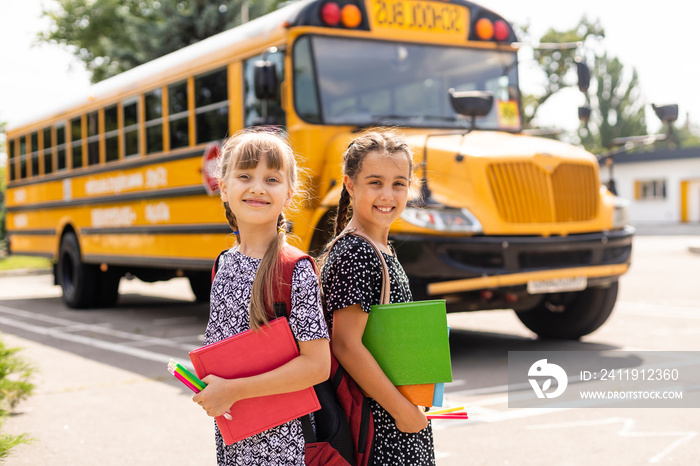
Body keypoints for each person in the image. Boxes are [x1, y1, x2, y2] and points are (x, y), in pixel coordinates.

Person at [193, 129, 330, 465]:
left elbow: (317, 365)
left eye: (271, 178)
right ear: (223, 187)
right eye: (244, 176)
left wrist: (234, 390)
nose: (257, 187)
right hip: (234, 436)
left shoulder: (295, 269)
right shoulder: (223, 264)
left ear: (289, 193)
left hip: (286, 445)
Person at [320, 130, 436, 465]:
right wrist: (403, 411)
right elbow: (346, 345)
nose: (388, 194)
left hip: (393, 415)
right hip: (381, 426)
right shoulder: (356, 252)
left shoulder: (378, 249)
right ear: (350, 185)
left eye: (399, 183)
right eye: (375, 182)